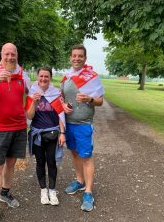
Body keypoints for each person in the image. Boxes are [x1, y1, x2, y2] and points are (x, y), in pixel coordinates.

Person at [0, 43, 30, 222]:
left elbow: (30, 93)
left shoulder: (23, 73)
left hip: (19, 127)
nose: (10, 57)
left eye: (13, 54)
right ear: (1, 54)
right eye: (7, 54)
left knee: (10, 164)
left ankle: (5, 193)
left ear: (17, 55)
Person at [61, 45, 105, 212]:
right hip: (69, 123)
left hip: (84, 124)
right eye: (74, 56)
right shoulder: (66, 77)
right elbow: (61, 97)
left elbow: (100, 101)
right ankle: (79, 182)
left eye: (80, 56)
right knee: (74, 153)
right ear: (70, 57)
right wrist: (63, 104)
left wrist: (89, 99)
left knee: (86, 157)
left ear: (85, 59)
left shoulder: (92, 77)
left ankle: (88, 192)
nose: (77, 58)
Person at [26, 67, 66, 206]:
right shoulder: (32, 93)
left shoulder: (56, 93)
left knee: (52, 162)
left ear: (50, 78)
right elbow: (29, 116)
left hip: (53, 134)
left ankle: (53, 191)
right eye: (41, 76)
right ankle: (43, 190)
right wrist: (34, 102)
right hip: (37, 134)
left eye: (46, 76)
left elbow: (61, 115)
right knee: (40, 162)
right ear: (37, 77)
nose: (43, 79)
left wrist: (62, 133)